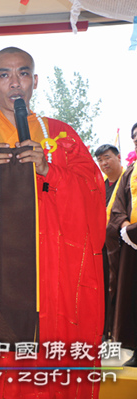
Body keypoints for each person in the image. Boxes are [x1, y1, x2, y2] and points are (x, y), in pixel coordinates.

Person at [0, 47, 106, 398]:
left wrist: (50, 171)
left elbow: (93, 190)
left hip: (51, 271)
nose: (15, 83)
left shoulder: (60, 134)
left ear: (35, 81)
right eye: (4, 75)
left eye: (23, 73)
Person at [106, 122, 137, 367]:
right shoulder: (131, 171)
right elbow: (118, 207)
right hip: (133, 245)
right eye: (134, 137)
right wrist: (126, 226)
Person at [95, 144, 124, 339]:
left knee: (123, 289)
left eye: (107, 158)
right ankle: (106, 330)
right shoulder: (100, 185)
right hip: (104, 246)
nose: (104, 163)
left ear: (118, 157)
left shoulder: (130, 180)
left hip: (125, 245)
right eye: (100, 160)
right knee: (105, 287)